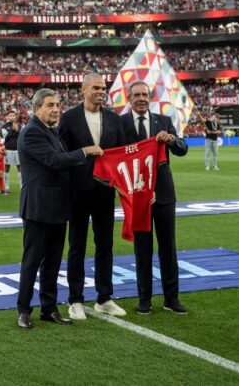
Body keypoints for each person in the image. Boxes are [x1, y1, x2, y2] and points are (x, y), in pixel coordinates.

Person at [16, 89, 100, 329]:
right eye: (50, 105)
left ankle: (49, 308)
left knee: (52, 262)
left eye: (58, 105)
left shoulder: (51, 131)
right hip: (38, 208)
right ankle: (23, 310)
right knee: (32, 261)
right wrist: (85, 151)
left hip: (57, 207)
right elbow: (55, 161)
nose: (55, 109)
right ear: (36, 108)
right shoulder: (32, 131)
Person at [58, 73, 128, 321]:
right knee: (77, 246)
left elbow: (120, 155)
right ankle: (75, 300)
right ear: (84, 89)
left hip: (105, 192)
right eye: (96, 87)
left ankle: (104, 298)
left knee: (105, 246)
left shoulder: (113, 119)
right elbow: (62, 155)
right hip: (77, 192)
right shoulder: (68, 118)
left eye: (104, 88)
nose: (101, 91)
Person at [119, 80, 189, 315]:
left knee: (168, 248)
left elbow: (182, 148)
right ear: (129, 99)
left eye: (145, 94)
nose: (141, 98)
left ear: (150, 98)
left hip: (164, 193)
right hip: (138, 195)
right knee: (143, 250)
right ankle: (144, 300)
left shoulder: (165, 121)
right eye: (136, 94)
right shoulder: (121, 123)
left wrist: (171, 140)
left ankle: (171, 299)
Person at [2, 111, 22, 194]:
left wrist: (16, 130)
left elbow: (20, 136)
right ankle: (6, 186)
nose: (12, 117)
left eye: (14, 115)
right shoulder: (4, 126)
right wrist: (13, 130)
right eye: (11, 115)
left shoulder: (19, 125)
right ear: (8, 117)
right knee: (7, 168)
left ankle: (21, 186)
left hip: (17, 149)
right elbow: (6, 138)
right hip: (8, 150)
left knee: (20, 168)